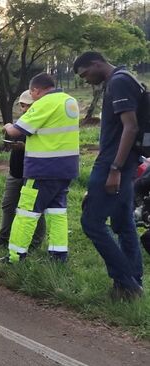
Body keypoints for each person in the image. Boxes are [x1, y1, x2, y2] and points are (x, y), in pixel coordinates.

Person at [74, 51, 145, 300]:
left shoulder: (119, 81)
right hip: (124, 162)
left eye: (85, 74)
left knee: (91, 223)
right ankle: (131, 283)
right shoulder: (124, 78)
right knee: (124, 224)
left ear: (96, 64)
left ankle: (127, 283)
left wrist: (114, 169)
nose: (86, 80)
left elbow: (131, 126)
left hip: (114, 164)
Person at [2, 73, 80, 263]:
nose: (32, 97)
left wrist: (7, 125)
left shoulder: (44, 103)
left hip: (43, 168)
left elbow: (16, 131)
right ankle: (58, 256)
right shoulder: (70, 101)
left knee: (26, 212)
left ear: (36, 90)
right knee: (57, 212)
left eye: (32, 93)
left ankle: (15, 257)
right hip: (66, 167)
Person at [0, 91, 46, 248]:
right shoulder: (22, 121)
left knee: (35, 209)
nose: (25, 108)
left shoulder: (42, 121)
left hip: (33, 173)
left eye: (29, 105)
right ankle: (4, 236)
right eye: (23, 105)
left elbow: (45, 148)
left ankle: (35, 243)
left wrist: (24, 147)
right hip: (15, 171)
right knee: (8, 204)